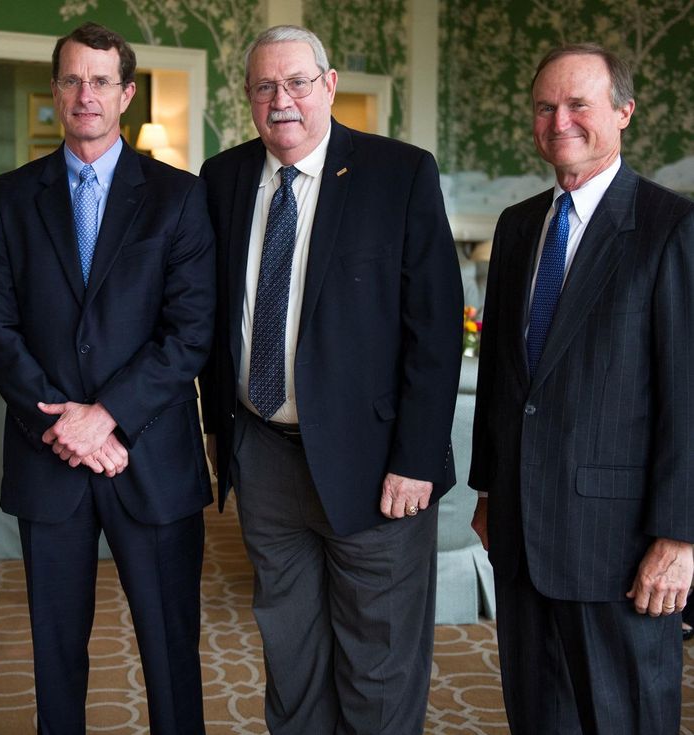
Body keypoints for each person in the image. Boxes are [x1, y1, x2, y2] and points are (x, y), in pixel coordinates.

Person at [199, 25, 462, 734]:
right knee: (290, 655)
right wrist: (216, 436)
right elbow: (212, 322)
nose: (281, 100)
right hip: (265, 457)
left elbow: (435, 332)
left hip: (377, 466)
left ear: (330, 84)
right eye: (264, 86)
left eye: (297, 83)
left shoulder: (398, 172)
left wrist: (415, 458)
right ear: (248, 97)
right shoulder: (221, 179)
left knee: (377, 662)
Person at [0, 22, 215, 735]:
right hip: (51, 460)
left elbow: (190, 331)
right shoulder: (11, 196)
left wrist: (104, 415)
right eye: (72, 80)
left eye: (101, 81)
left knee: (172, 653)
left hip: (151, 458)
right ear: (54, 91)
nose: (86, 94)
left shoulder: (178, 196)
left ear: (127, 94)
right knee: (54, 657)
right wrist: (62, 423)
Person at [469, 44, 694, 734]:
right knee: (537, 715)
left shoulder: (671, 227)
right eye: (545, 106)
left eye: (577, 104)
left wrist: (680, 536)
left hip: (620, 545)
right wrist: (487, 490)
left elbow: (688, 394)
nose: (558, 119)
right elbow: (504, 381)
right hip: (521, 530)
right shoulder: (516, 227)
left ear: (623, 113)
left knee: (622, 718)